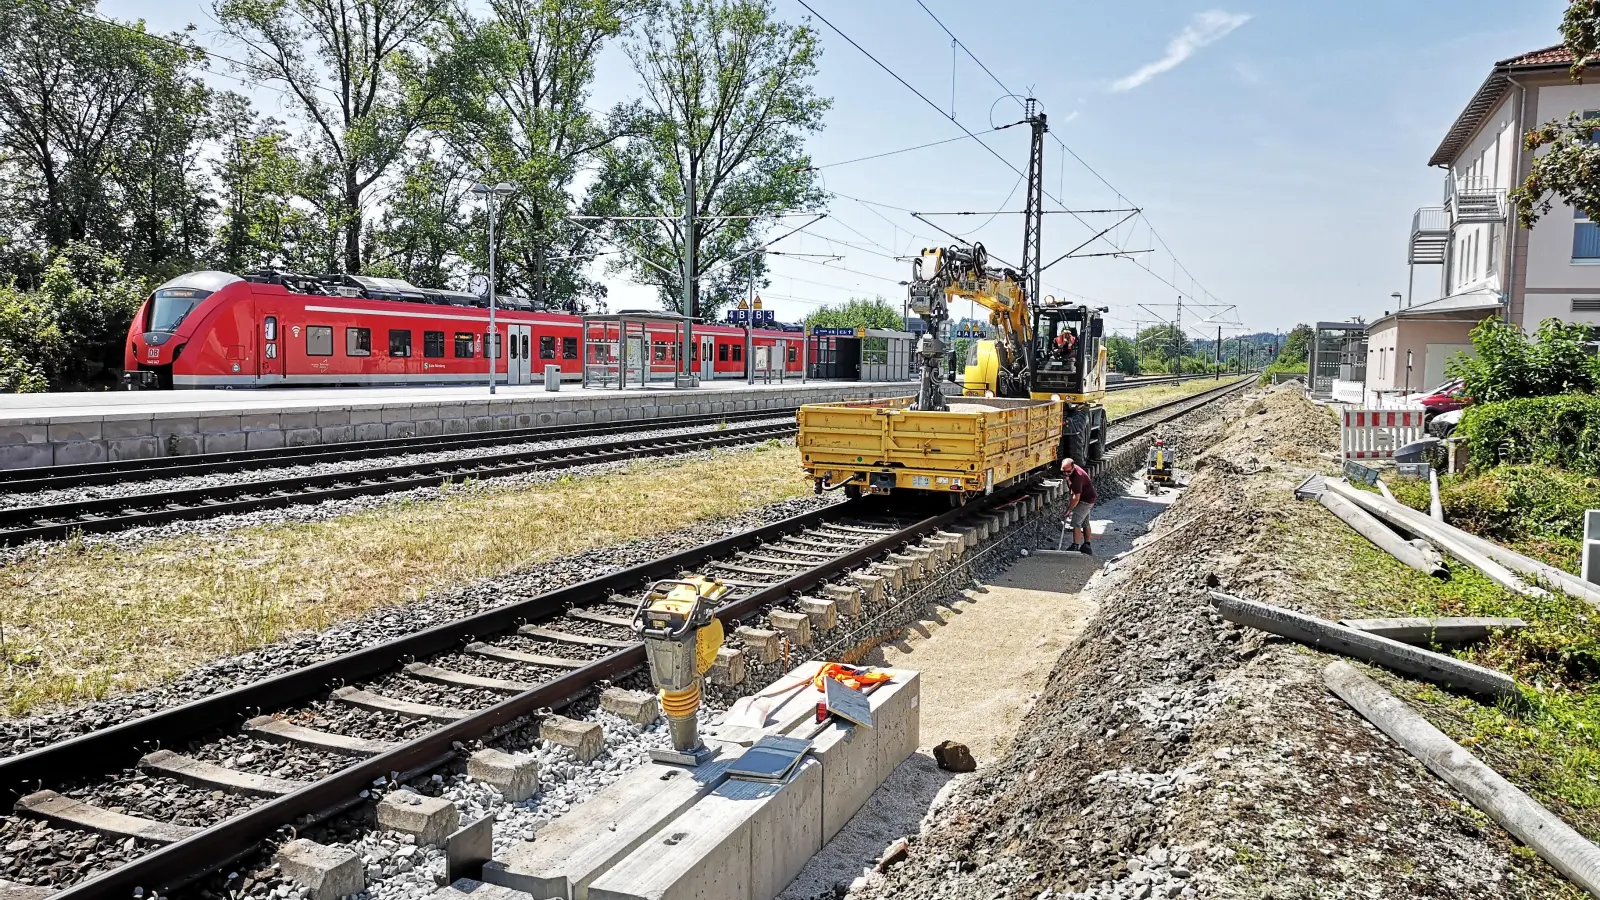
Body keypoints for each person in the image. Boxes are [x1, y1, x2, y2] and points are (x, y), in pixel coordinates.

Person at [1061, 456, 1097, 554]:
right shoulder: (1072, 470)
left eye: (1068, 472)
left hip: (1086, 501)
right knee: (1085, 522)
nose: (1066, 474)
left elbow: (1076, 498)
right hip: (1086, 498)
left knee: (1076, 522)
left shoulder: (1077, 477)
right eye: (1063, 472)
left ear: (1073, 467)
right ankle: (1087, 546)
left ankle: (1075, 545)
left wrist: (1069, 510)